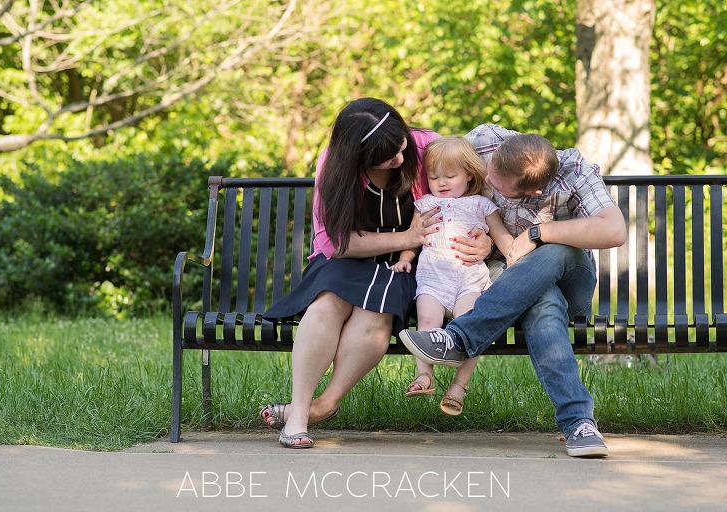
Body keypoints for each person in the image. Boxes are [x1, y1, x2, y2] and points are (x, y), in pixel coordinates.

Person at [258, 99, 493, 448]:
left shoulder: (425, 145)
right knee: (327, 305)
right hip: (347, 256)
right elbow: (333, 242)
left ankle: (325, 405)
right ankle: (299, 412)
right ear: (356, 157)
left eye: (399, 148)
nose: (398, 160)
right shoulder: (334, 167)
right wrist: (407, 236)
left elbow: (473, 195)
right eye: (384, 158)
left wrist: (485, 240)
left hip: (402, 261)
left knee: (375, 315)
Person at [399, 124, 627, 458]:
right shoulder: (486, 142)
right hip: (502, 279)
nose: (487, 182)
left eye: (497, 185)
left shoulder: (575, 172)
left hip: (571, 277)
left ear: (533, 191)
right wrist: (488, 241)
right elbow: (432, 156)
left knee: (555, 249)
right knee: (544, 302)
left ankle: (459, 339)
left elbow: (614, 230)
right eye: (488, 174)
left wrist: (541, 232)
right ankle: (579, 422)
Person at [392, 136, 514, 416]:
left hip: (469, 278)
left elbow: (500, 235)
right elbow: (414, 238)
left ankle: (459, 386)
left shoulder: (482, 205)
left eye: (450, 176)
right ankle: (424, 376)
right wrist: (404, 259)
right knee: (427, 321)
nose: (442, 183)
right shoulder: (424, 203)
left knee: (469, 325)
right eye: (434, 177)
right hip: (433, 278)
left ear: (469, 175)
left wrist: (513, 254)